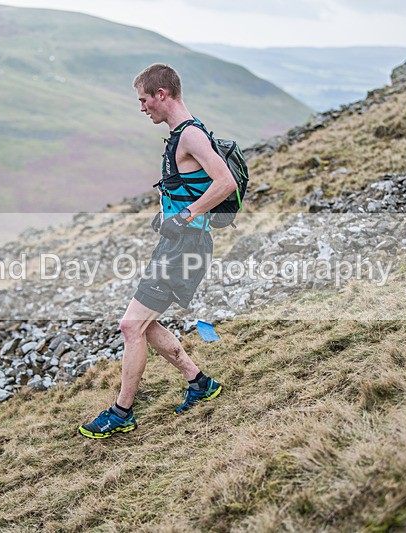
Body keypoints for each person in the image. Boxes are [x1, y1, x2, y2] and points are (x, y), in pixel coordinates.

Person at [79, 63, 237, 439]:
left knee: (131, 325)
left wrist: (184, 216)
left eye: (144, 99)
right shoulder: (180, 133)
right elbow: (192, 186)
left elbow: (226, 182)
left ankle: (121, 413)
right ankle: (199, 383)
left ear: (161, 94)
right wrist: (167, 214)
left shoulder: (191, 135)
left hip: (185, 246)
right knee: (143, 324)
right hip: (176, 242)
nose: (142, 107)